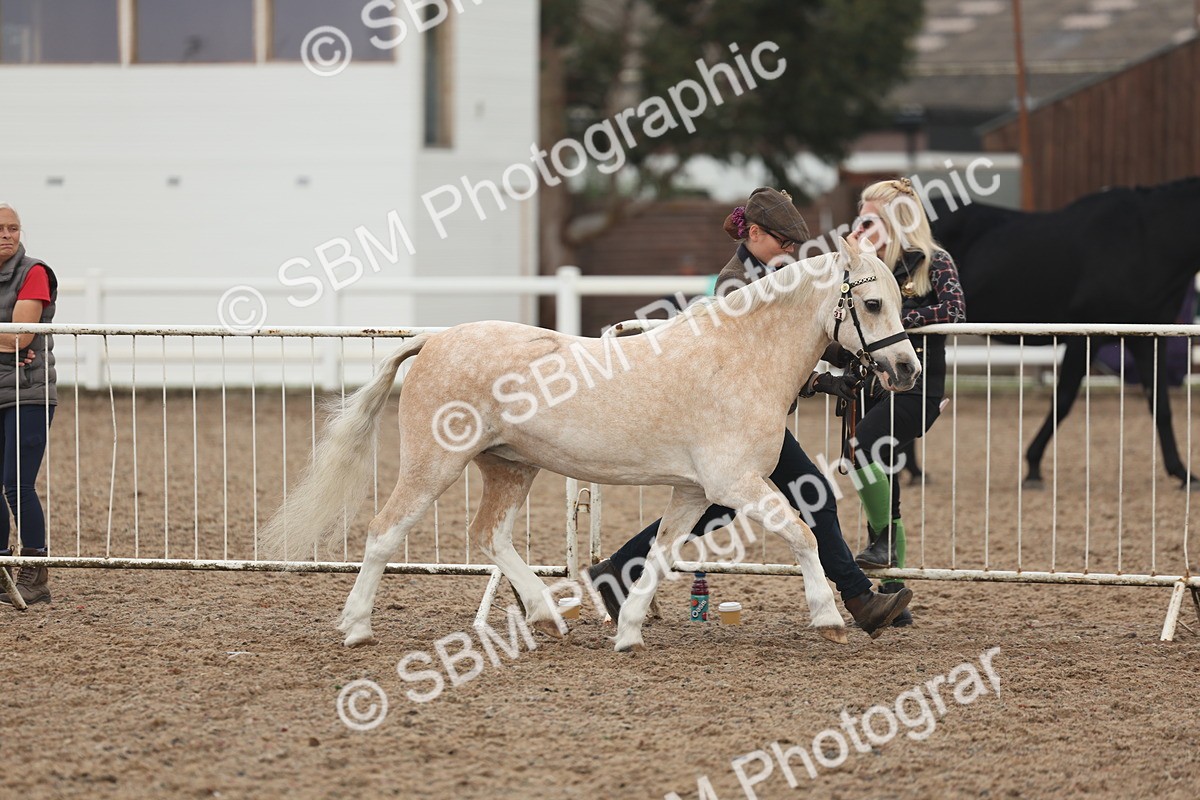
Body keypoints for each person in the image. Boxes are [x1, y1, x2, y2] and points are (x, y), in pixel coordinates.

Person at [584, 187, 913, 638]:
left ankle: (617, 571)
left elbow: (805, 336)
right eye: (783, 241)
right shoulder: (734, 283)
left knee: (718, 510)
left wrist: (845, 363)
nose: (791, 251)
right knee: (808, 492)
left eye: (794, 244)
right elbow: (752, 362)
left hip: (751, 421)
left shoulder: (784, 275)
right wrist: (820, 381)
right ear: (755, 234)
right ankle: (858, 599)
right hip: (729, 422)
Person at [843, 178, 966, 626]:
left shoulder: (934, 261)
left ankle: (884, 547)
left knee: (863, 446)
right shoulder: (866, 266)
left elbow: (954, 312)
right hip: (875, 384)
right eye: (861, 215)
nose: (861, 223)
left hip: (921, 386)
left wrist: (895, 320)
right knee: (884, 474)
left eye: (870, 216)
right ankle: (895, 597)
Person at [0, 203, 58, 606]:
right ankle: (2, 567)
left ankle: (35, 572)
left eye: (13, 228)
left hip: (27, 394)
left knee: (17, 485)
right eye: (0, 228)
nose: (6, 234)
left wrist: (14, 342)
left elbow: (20, 337)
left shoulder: (33, 271)